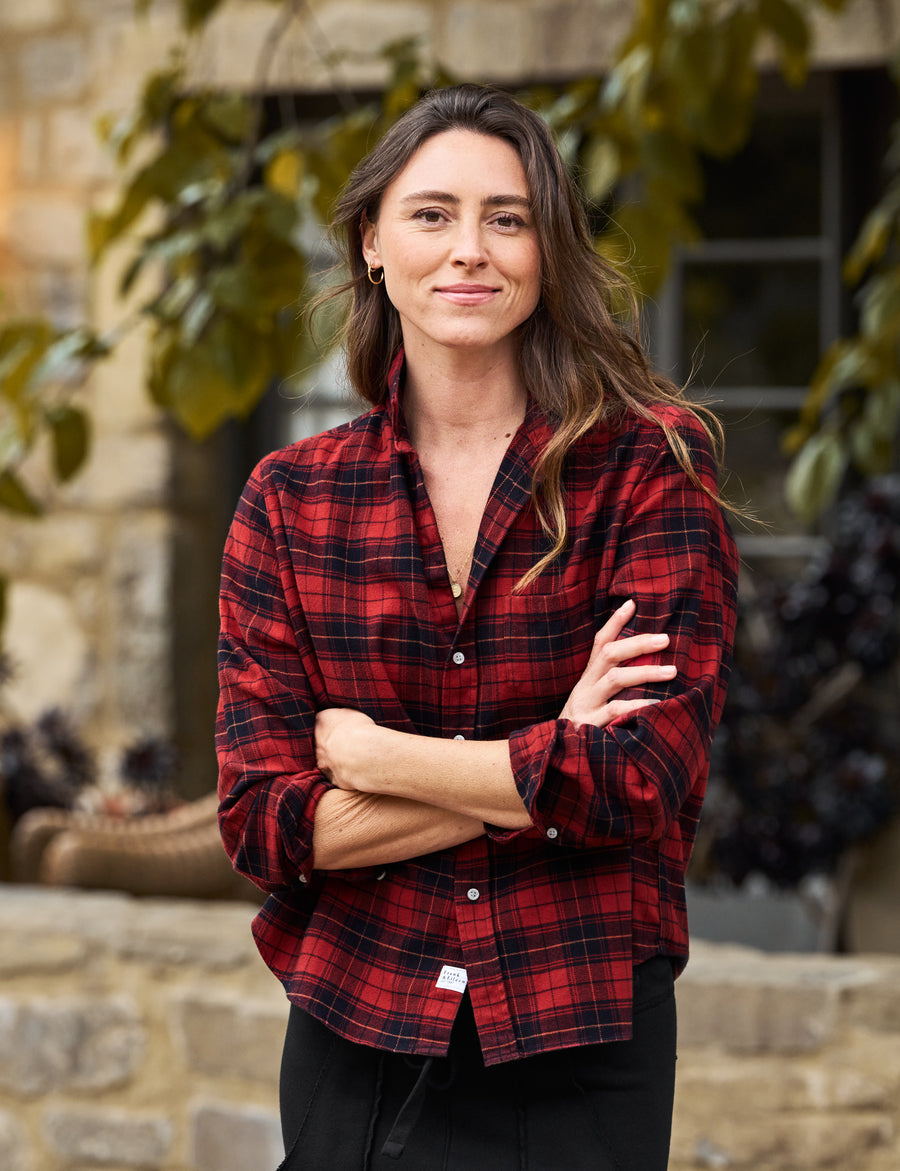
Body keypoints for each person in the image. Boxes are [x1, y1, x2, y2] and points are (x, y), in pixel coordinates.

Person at [217, 83, 739, 1170]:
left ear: (548, 249)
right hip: (354, 1025)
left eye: (507, 218)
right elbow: (266, 822)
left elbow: (640, 778)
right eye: (432, 214)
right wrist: (546, 752)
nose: (471, 251)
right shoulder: (289, 499)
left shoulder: (647, 471)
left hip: (578, 1030)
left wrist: (375, 758)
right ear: (371, 242)